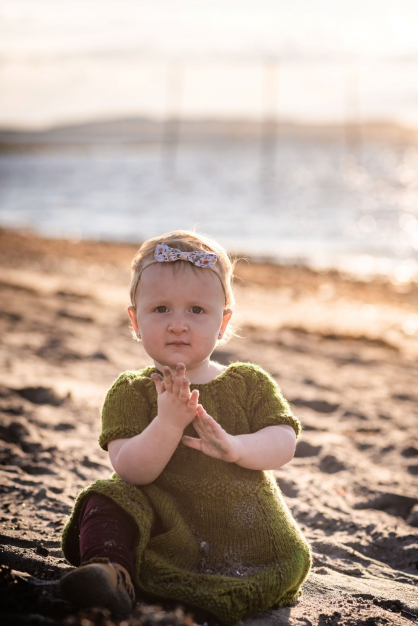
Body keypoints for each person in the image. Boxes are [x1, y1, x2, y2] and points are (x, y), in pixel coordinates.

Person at [60, 230, 311, 625]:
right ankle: (113, 572)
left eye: (196, 310)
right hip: (161, 522)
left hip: (240, 524)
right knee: (104, 497)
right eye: (161, 309)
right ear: (135, 320)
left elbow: (283, 441)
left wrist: (236, 448)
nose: (178, 324)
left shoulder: (249, 382)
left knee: (275, 557)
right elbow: (130, 470)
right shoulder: (129, 391)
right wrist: (168, 422)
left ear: (223, 322)